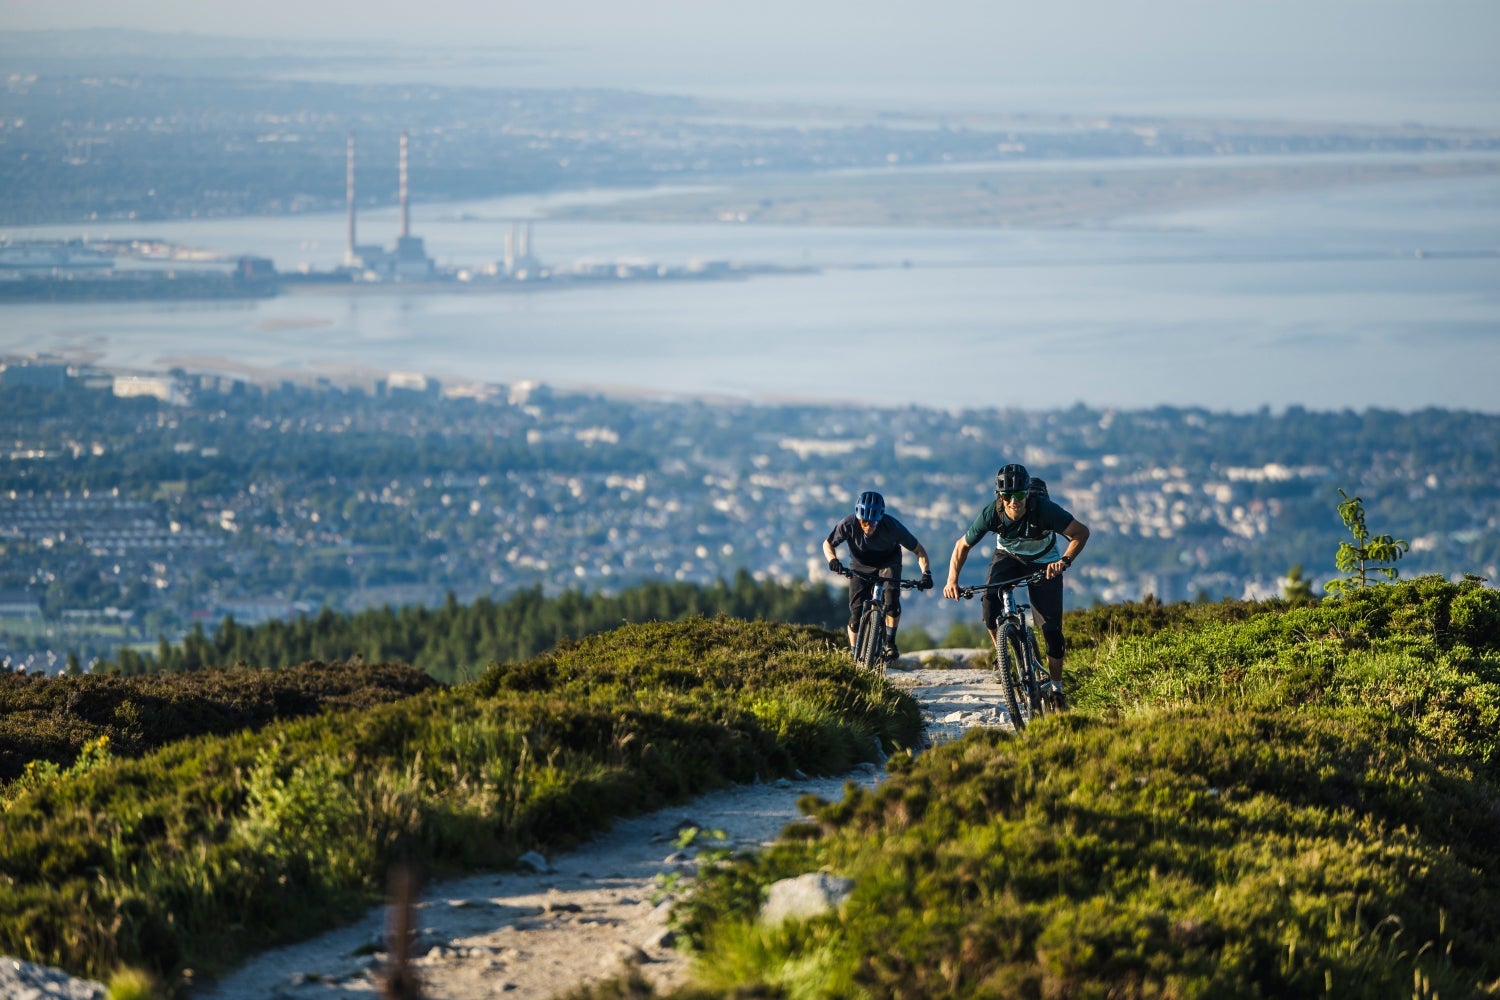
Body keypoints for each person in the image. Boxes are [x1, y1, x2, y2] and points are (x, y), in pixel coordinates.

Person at [942, 463, 1089, 707]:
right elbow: (962, 546)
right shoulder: (992, 513)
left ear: (1027, 493)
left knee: (1052, 630)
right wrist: (952, 580)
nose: (1013, 502)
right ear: (1000, 496)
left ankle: (1056, 688)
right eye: (1007, 496)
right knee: (990, 606)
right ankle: (1002, 657)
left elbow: (1081, 533)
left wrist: (1064, 561)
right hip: (1009, 557)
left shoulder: (1045, 510)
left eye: (1019, 495)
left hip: (1045, 561)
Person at [823, 490, 933, 658]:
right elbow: (828, 544)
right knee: (855, 616)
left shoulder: (893, 527)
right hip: (860, 565)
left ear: (880, 519)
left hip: (888, 563)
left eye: (872, 522)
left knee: (891, 602)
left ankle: (890, 642)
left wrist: (926, 573)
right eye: (864, 521)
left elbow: (919, 550)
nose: (867, 526)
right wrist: (833, 560)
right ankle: (855, 656)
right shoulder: (848, 523)